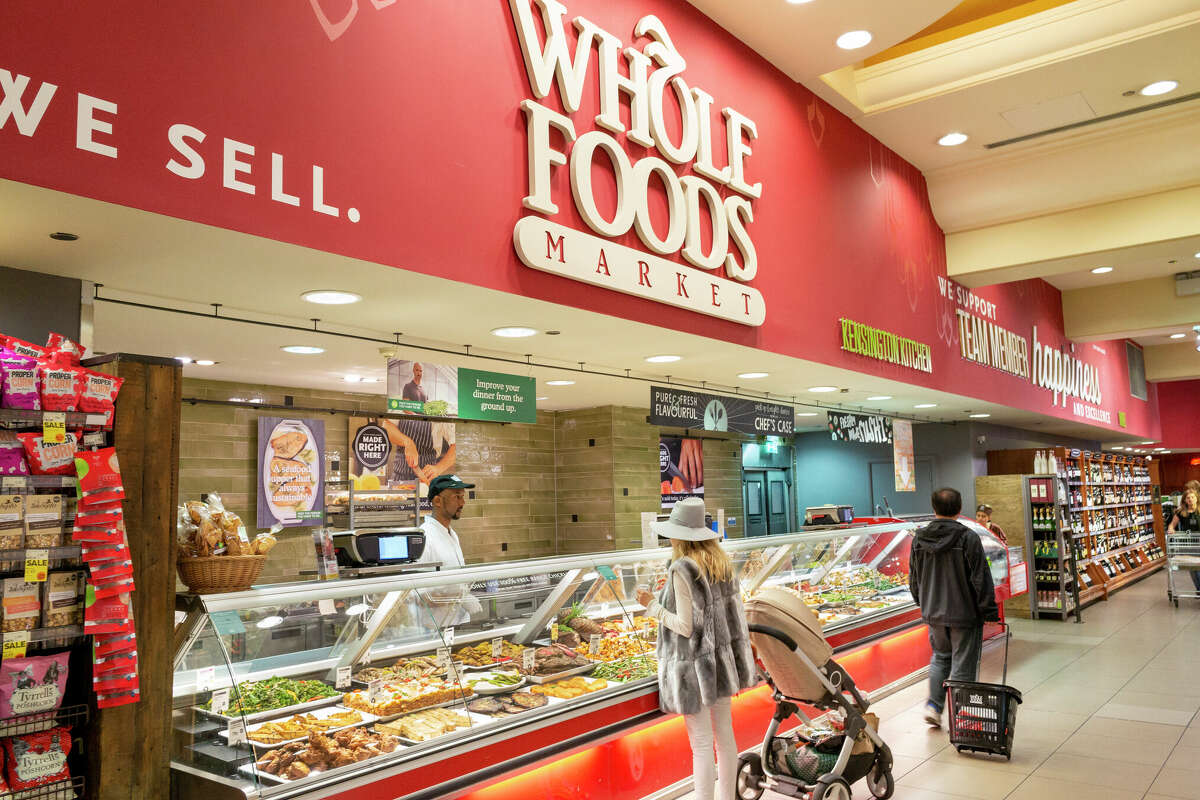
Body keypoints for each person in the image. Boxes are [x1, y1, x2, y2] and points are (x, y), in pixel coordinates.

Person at [635, 498, 756, 800]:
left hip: (694, 669)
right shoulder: (721, 563)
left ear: (679, 536)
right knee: (725, 738)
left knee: (701, 745)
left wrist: (651, 605)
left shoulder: (682, 569)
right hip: (721, 662)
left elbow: (687, 627)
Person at [910, 487, 999, 728]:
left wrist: (923, 602)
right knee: (963, 663)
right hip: (964, 613)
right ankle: (963, 716)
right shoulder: (968, 537)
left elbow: (914, 577)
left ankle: (934, 707)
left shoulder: (919, 538)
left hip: (934, 612)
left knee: (940, 657)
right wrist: (989, 610)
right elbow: (980, 577)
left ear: (933, 508)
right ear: (960, 509)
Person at [417, 474, 481, 626]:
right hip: (435, 630)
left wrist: (463, 595)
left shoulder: (452, 535)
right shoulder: (425, 538)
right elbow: (418, 595)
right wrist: (459, 598)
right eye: (457, 497)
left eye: (462, 497)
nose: (463, 502)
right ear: (437, 501)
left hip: (458, 625)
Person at [379, 417, 455, 485]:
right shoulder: (402, 404)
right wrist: (407, 442)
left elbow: (456, 444)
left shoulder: (441, 407)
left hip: (426, 480)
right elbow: (387, 426)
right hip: (399, 479)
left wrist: (438, 468)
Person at [1168, 488, 1200, 591]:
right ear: (1185, 500)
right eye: (1188, 498)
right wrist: (1171, 529)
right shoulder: (1181, 512)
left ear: (1196, 498)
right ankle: (1198, 589)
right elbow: (1172, 525)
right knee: (1192, 569)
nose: (1190, 499)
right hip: (1188, 545)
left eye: (1192, 497)